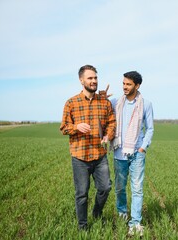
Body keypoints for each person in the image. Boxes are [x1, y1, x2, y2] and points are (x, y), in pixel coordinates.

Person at [60, 64, 116, 230]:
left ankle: (97, 213)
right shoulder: (71, 103)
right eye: (90, 78)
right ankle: (83, 226)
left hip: (99, 155)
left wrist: (108, 135)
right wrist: (76, 127)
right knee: (82, 194)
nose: (93, 81)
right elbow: (63, 127)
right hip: (80, 156)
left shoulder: (104, 103)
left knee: (105, 188)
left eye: (95, 78)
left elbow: (112, 122)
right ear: (81, 80)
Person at [110, 71, 154, 237]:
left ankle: (135, 223)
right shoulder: (115, 102)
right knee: (120, 188)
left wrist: (143, 147)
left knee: (137, 189)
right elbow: (100, 106)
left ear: (137, 85)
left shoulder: (146, 104)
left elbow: (150, 128)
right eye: (123, 83)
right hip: (119, 153)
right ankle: (122, 214)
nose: (124, 87)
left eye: (128, 84)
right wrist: (102, 96)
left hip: (137, 153)